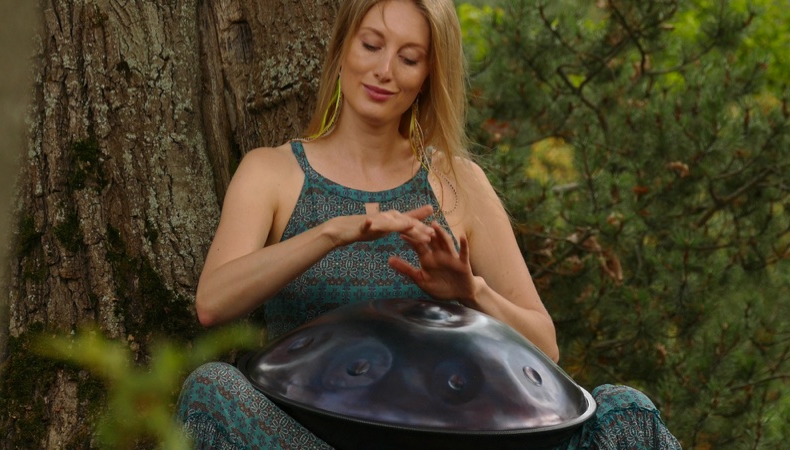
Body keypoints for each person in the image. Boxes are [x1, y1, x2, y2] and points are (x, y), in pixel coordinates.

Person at [177, 0, 682, 448]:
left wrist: (470, 290)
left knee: (626, 411)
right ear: (343, 49)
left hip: (454, 436)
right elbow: (212, 303)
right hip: (314, 434)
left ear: (428, 75)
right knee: (211, 388)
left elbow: (545, 347)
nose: (383, 71)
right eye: (371, 45)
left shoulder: (457, 182)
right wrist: (331, 232)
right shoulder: (274, 172)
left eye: (409, 57)